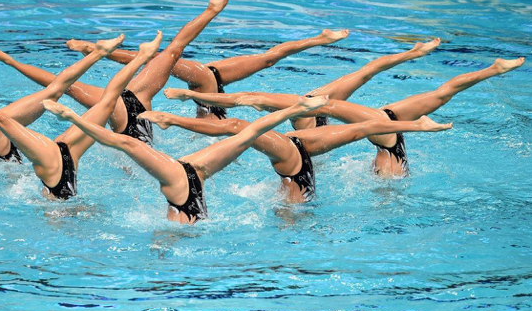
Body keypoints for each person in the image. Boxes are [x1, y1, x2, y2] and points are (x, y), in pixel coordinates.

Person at [166, 57, 526, 177]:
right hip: (382, 125)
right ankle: (491, 70)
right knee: (440, 95)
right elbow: (369, 73)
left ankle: (492, 70)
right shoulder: (314, 109)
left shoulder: (313, 108)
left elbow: (248, 102)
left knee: (245, 127)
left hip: (377, 129)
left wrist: (189, 96)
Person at [0, 32, 159, 199]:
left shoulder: (45, 164)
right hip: (66, 153)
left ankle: (134, 56)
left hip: (60, 167)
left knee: (103, 101)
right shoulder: (55, 158)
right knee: (106, 102)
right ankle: (134, 56)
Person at [0, 0, 233, 143]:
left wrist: (10, 60)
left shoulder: (107, 103)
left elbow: (56, 85)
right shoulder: (124, 104)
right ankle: (211, 11)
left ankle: (11, 59)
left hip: (125, 104)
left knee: (62, 85)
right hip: (138, 100)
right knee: (173, 49)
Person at [41, 95, 330, 224]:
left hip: (185, 179)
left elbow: (123, 142)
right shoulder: (188, 194)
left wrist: (72, 117)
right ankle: (297, 107)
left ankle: (297, 107)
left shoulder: (176, 219)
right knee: (245, 134)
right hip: (194, 172)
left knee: (126, 145)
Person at [138, 110, 452, 203]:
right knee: (242, 133)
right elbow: (362, 128)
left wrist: (418, 126)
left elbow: (362, 128)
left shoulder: (294, 147)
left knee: (241, 132)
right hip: (298, 179)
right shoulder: (306, 141)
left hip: (297, 189)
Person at [63, 29, 350, 120]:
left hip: (209, 82)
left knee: (267, 59)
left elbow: (149, 60)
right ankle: (318, 39)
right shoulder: (210, 128)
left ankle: (319, 39)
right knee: (162, 58)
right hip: (207, 84)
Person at [164, 38, 442, 129]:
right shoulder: (302, 110)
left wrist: (411, 53)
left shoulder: (319, 101)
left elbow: (368, 70)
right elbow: (242, 98)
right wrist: (188, 95)